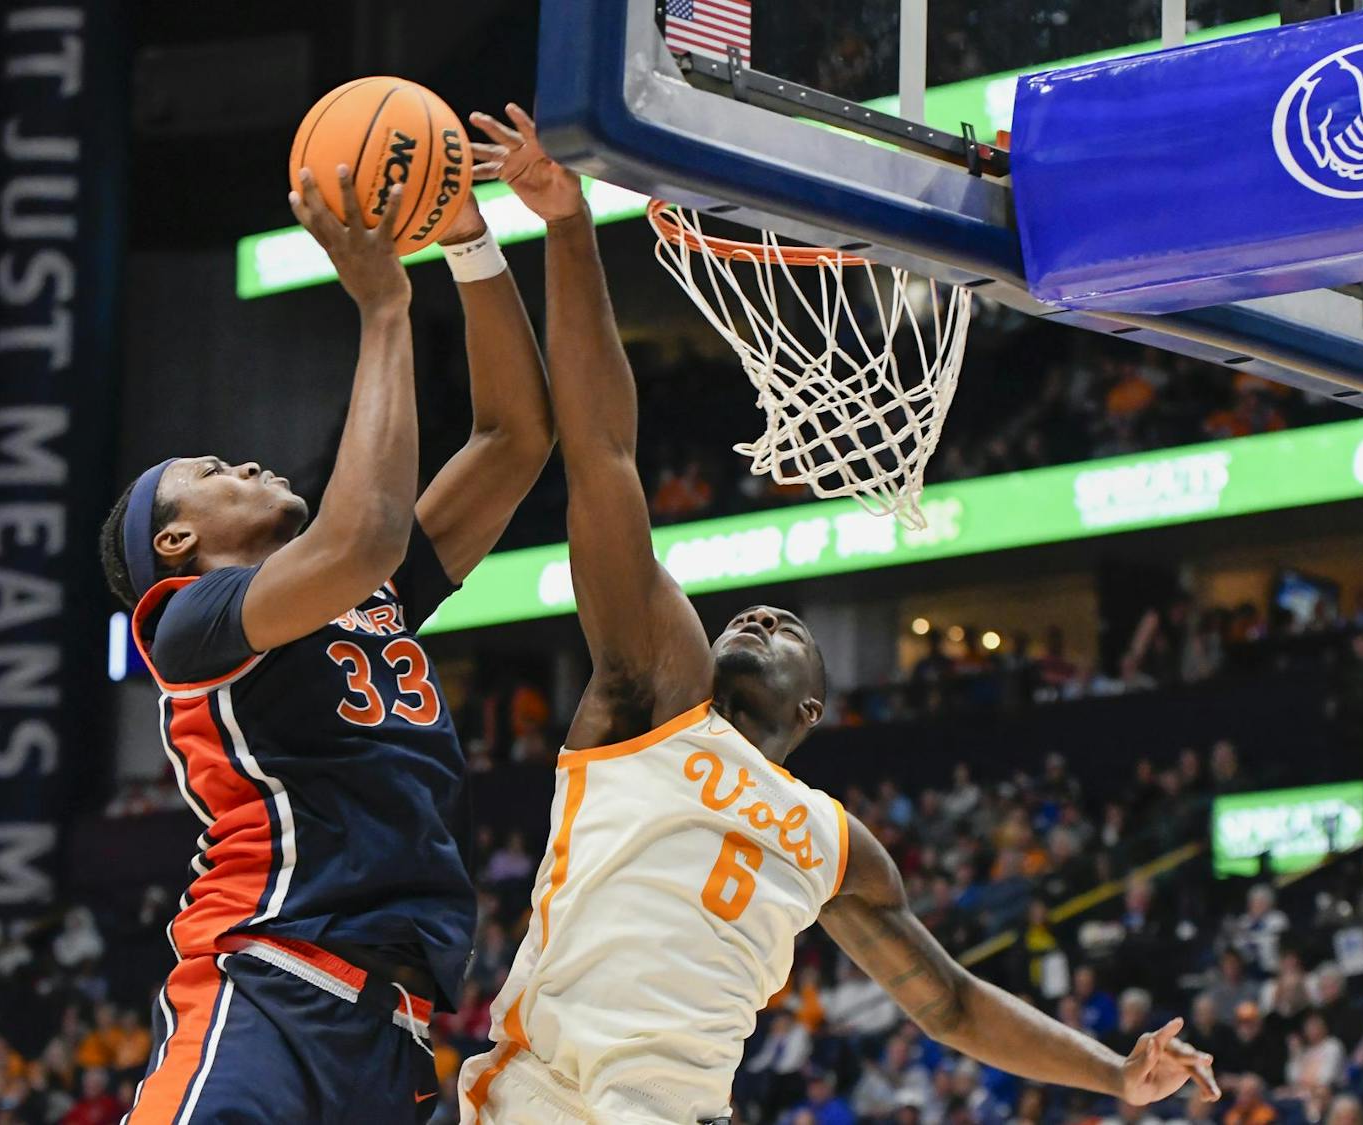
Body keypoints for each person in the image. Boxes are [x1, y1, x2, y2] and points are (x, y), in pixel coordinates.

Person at [456, 104, 1220, 1125]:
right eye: (756, 618)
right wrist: (565, 224)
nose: (765, 616)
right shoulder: (652, 697)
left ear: (812, 711)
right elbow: (604, 454)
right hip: (540, 1100)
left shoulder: (836, 843)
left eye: (791, 632)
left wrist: (1114, 1074)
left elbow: (947, 1003)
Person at [100, 171, 552, 1123]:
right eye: (214, 472)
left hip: (393, 1031)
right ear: (174, 541)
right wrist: (386, 308)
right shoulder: (189, 620)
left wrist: (471, 240)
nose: (247, 462)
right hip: (269, 988)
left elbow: (516, 440)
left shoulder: (365, 599)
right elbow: (363, 537)